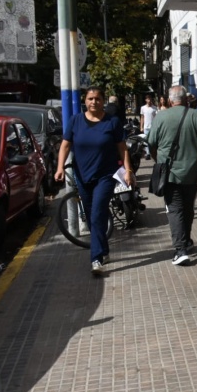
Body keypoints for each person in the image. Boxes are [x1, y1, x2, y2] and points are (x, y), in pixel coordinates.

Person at [55, 86, 135, 276]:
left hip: (105, 176)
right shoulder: (75, 121)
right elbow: (65, 145)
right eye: (90, 99)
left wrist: (128, 170)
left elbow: (122, 148)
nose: (93, 102)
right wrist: (59, 168)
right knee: (91, 215)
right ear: (85, 100)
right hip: (82, 176)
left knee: (98, 212)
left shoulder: (112, 122)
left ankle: (96, 259)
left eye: (97, 99)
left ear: (103, 101)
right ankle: (104, 249)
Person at [147, 85, 197, 266]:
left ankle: (180, 249)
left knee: (174, 209)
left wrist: (157, 160)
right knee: (188, 206)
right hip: (193, 171)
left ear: (169, 100)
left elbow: (151, 143)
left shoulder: (160, 117)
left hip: (169, 172)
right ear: (187, 99)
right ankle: (187, 241)